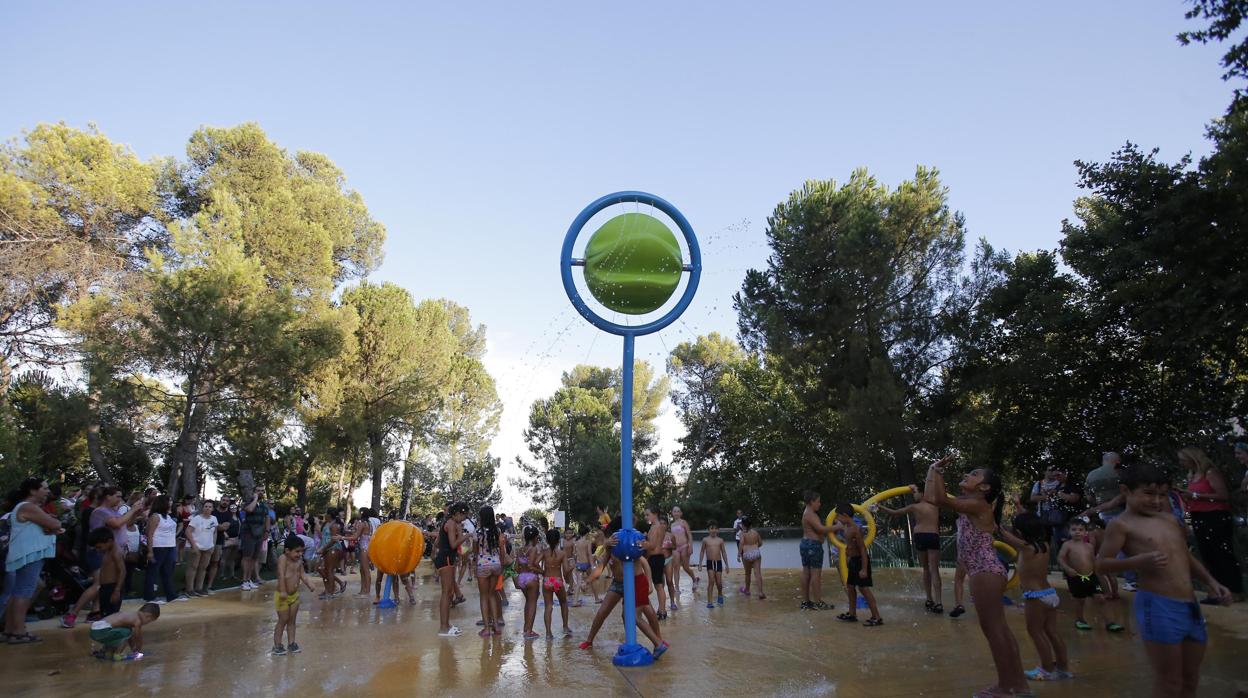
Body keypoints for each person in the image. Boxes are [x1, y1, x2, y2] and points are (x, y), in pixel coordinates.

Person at [1096, 461, 1232, 698]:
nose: (1156, 501)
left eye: (1161, 495)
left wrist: (1212, 583)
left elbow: (1185, 557)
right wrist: (1137, 562)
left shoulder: (1168, 520)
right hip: (1158, 605)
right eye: (1148, 494)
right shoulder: (1121, 525)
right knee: (1169, 682)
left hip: (1190, 607)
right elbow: (1101, 564)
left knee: (1190, 679)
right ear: (1125, 491)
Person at [924, 456, 1030, 697]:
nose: (967, 475)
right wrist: (932, 470)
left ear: (984, 488)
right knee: (1000, 629)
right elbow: (932, 498)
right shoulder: (969, 502)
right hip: (986, 570)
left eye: (974, 474)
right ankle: (1019, 685)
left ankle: (1005, 687)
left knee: (994, 631)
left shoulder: (979, 504)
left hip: (985, 571)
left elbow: (939, 498)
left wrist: (937, 472)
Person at [578, 519, 668, 658]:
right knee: (603, 611)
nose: (611, 539)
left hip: (633, 583)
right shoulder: (610, 547)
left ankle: (656, 640)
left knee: (646, 611)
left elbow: (645, 563)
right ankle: (590, 640)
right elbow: (600, 568)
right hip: (618, 583)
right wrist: (587, 582)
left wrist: (649, 583)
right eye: (609, 537)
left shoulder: (629, 544)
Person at [998, 512, 1071, 682]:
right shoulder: (1044, 545)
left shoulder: (1026, 547)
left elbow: (1003, 534)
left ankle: (1045, 669)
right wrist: (1018, 507)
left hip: (1035, 596)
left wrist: (997, 526)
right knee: (1052, 632)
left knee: (1036, 632)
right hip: (1050, 594)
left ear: (1021, 533)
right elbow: (1030, 523)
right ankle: (1063, 668)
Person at [61, 486, 146, 628]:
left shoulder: (113, 511)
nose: (120, 499)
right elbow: (117, 523)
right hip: (99, 552)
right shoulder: (100, 512)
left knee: (106, 585)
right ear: (108, 497)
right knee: (99, 584)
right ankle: (72, 614)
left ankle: (95, 612)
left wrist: (135, 513)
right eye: (117, 496)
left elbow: (126, 524)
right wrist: (131, 510)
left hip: (114, 552)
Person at [1176, 447, 1243, 602]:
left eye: (1183, 459)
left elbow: (1223, 496)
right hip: (1198, 516)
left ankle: (1234, 591)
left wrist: (1194, 495)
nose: (1181, 463)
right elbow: (1190, 503)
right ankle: (1217, 592)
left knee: (1223, 554)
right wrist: (1188, 522)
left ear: (1192, 458)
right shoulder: (1191, 475)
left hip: (1215, 516)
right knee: (1208, 555)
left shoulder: (1210, 473)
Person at [2, 478, 63, 644]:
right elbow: (55, 523)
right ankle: (18, 632)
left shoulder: (27, 508)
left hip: (26, 554)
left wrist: (52, 526)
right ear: (32, 491)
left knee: (20, 591)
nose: (47, 491)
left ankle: (9, 630)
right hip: (29, 554)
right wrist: (54, 525)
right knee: (24, 591)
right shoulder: (28, 507)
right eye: (43, 488)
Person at [879, 484, 943, 613]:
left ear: (922, 493)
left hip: (920, 536)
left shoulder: (914, 507)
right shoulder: (935, 505)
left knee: (926, 568)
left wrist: (879, 506)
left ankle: (929, 598)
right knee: (934, 569)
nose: (914, 495)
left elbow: (895, 512)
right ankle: (939, 602)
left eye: (915, 492)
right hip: (933, 535)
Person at [1058, 517, 1123, 632]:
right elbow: (1061, 558)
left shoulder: (1089, 546)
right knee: (1080, 600)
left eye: (1080, 529)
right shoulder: (1067, 545)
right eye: (1074, 529)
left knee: (1101, 598)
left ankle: (1110, 622)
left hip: (1091, 577)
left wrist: (1099, 572)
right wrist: (1067, 568)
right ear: (1069, 531)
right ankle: (1080, 620)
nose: (1077, 532)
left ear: (1085, 532)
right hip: (1076, 577)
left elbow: (1093, 561)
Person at [833, 504, 882, 626]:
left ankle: (877, 616)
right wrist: (849, 558)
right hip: (854, 561)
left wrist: (864, 569)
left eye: (838, 516)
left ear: (844, 516)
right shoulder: (846, 527)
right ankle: (852, 613)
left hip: (861, 561)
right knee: (850, 586)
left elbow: (863, 550)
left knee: (863, 588)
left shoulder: (856, 529)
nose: (837, 518)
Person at [272, 535, 316, 655]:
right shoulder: (283, 559)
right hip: (282, 595)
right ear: (287, 551)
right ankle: (277, 645)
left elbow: (302, 575)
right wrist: (282, 591)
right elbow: (281, 575)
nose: (300, 554)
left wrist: (309, 583)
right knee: (283, 620)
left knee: (292, 621)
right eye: (297, 551)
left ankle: (291, 643)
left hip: (294, 595)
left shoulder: (298, 562)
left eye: (302, 551)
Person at [434, 503, 469, 637]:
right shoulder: (452, 523)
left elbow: (438, 543)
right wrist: (467, 535)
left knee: (448, 594)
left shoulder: (449, 522)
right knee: (446, 593)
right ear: (458, 513)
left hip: (445, 557)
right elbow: (454, 544)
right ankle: (443, 628)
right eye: (464, 516)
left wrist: (460, 531)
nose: (465, 519)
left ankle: (446, 625)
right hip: (446, 558)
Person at [799, 490, 837, 610]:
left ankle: (806, 602)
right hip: (812, 546)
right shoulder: (810, 514)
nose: (820, 504)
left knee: (806, 572)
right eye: (818, 501)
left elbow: (815, 530)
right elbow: (821, 529)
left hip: (805, 544)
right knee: (816, 574)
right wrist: (838, 526)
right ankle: (818, 602)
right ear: (811, 502)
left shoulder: (806, 513)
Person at [474, 505, 508, 637]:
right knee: (493, 594)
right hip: (496, 565)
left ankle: (487, 628)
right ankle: (496, 626)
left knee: (484, 596)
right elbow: (502, 549)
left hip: (483, 565)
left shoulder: (478, 532)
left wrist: (475, 563)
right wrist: (501, 565)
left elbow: (475, 550)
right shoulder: (497, 531)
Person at [89, 603, 159, 662]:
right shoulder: (137, 621)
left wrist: (133, 649)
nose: (147, 623)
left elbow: (130, 638)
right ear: (148, 616)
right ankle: (117, 654)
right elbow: (138, 637)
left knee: (122, 633)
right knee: (127, 632)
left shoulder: (131, 615)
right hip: (102, 630)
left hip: (95, 629)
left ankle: (105, 652)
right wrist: (138, 650)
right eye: (149, 621)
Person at [144, 495, 180, 604]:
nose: (171, 502)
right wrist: (150, 551)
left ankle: (171, 595)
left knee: (167, 572)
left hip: (170, 546)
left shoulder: (169, 516)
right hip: (158, 547)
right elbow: (149, 534)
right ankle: (149, 597)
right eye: (169, 501)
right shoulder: (155, 516)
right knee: (153, 572)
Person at [539, 528, 572, 638]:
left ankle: (548, 633)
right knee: (563, 603)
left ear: (547, 541)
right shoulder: (562, 553)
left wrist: (542, 572)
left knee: (548, 606)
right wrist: (573, 566)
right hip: (557, 581)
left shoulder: (544, 552)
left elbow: (534, 563)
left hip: (547, 581)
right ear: (559, 540)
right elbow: (566, 571)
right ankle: (565, 627)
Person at [87, 527, 126, 617]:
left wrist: (117, 590)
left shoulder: (116, 552)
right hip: (105, 587)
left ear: (109, 541)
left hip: (112, 587)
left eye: (99, 547)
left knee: (110, 615)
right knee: (105, 613)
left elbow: (122, 571)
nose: (98, 550)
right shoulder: (108, 551)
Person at [184, 499, 218, 597]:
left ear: (212, 509)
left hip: (208, 546)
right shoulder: (197, 519)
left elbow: (214, 532)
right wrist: (193, 545)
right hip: (197, 546)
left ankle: (199, 588)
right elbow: (188, 531)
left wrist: (213, 545)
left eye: (210, 507)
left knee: (203, 568)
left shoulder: (214, 519)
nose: (207, 508)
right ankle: (189, 589)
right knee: (193, 567)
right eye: (206, 506)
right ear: (203, 508)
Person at [515, 525, 543, 640]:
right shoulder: (533, 549)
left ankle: (525, 628)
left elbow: (516, 567)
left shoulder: (519, 549)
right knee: (532, 604)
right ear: (535, 537)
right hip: (531, 578)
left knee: (528, 603)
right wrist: (542, 571)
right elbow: (531, 566)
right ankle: (529, 631)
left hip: (521, 578)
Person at [239, 489, 270, 590]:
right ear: (254, 492)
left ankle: (249, 579)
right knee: (247, 557)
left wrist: (267, 531)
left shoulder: (264, 504)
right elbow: (249, 510)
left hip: (259, 534)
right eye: (258, 490)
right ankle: (244, 581)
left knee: (254, 558)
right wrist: (255, 498)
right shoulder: (248, 502)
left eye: (262, 491)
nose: (261, 492)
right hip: (249, 533)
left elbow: (267, 517)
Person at [642, 507, 670, 617]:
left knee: (658, 586)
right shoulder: (659, 527)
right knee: (659, 585)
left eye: (647, 515)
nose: (645, 517)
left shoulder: (655, 528)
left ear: (655, 514)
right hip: (658, 558)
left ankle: (662, 611)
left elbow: (652, 546)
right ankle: (661, 610)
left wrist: (641, 542)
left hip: (655, 558)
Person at [697, 521, 729, 608]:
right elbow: (702, 551)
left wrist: (727, 565)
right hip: (710, 563)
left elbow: (723, 552)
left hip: (718, 562)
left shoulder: (720, 540)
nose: (713, 530)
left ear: (718, 530)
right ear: (708, 530)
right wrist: (700, 564)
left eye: (715, 528)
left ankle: (720, 595)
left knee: (719, 583)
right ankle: (710, 602)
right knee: (711, 581)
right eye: (711, 528)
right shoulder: (705, 540)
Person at [317, 508, 346, 599]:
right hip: (326, 549)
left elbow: (333, 540)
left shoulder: (334, 525)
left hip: (333, 549)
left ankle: (330, 591)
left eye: (326, 513)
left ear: (329, 515)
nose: (325, 515)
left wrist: (323, 548)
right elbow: (324, 537)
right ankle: (333, 587)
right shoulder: (327, 524)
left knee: (328, 570)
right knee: (320, 568)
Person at [736, 516, 765, 599]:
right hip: (756, 553)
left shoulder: (742, 534)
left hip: (746, 554)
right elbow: (761, 543)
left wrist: (738, 554)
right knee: (758, 573)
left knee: (748, 573)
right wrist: (755, 547)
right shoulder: (755, 532)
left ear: (743, 525)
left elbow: (741, 543)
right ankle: (760, 592)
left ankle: (747, 590)